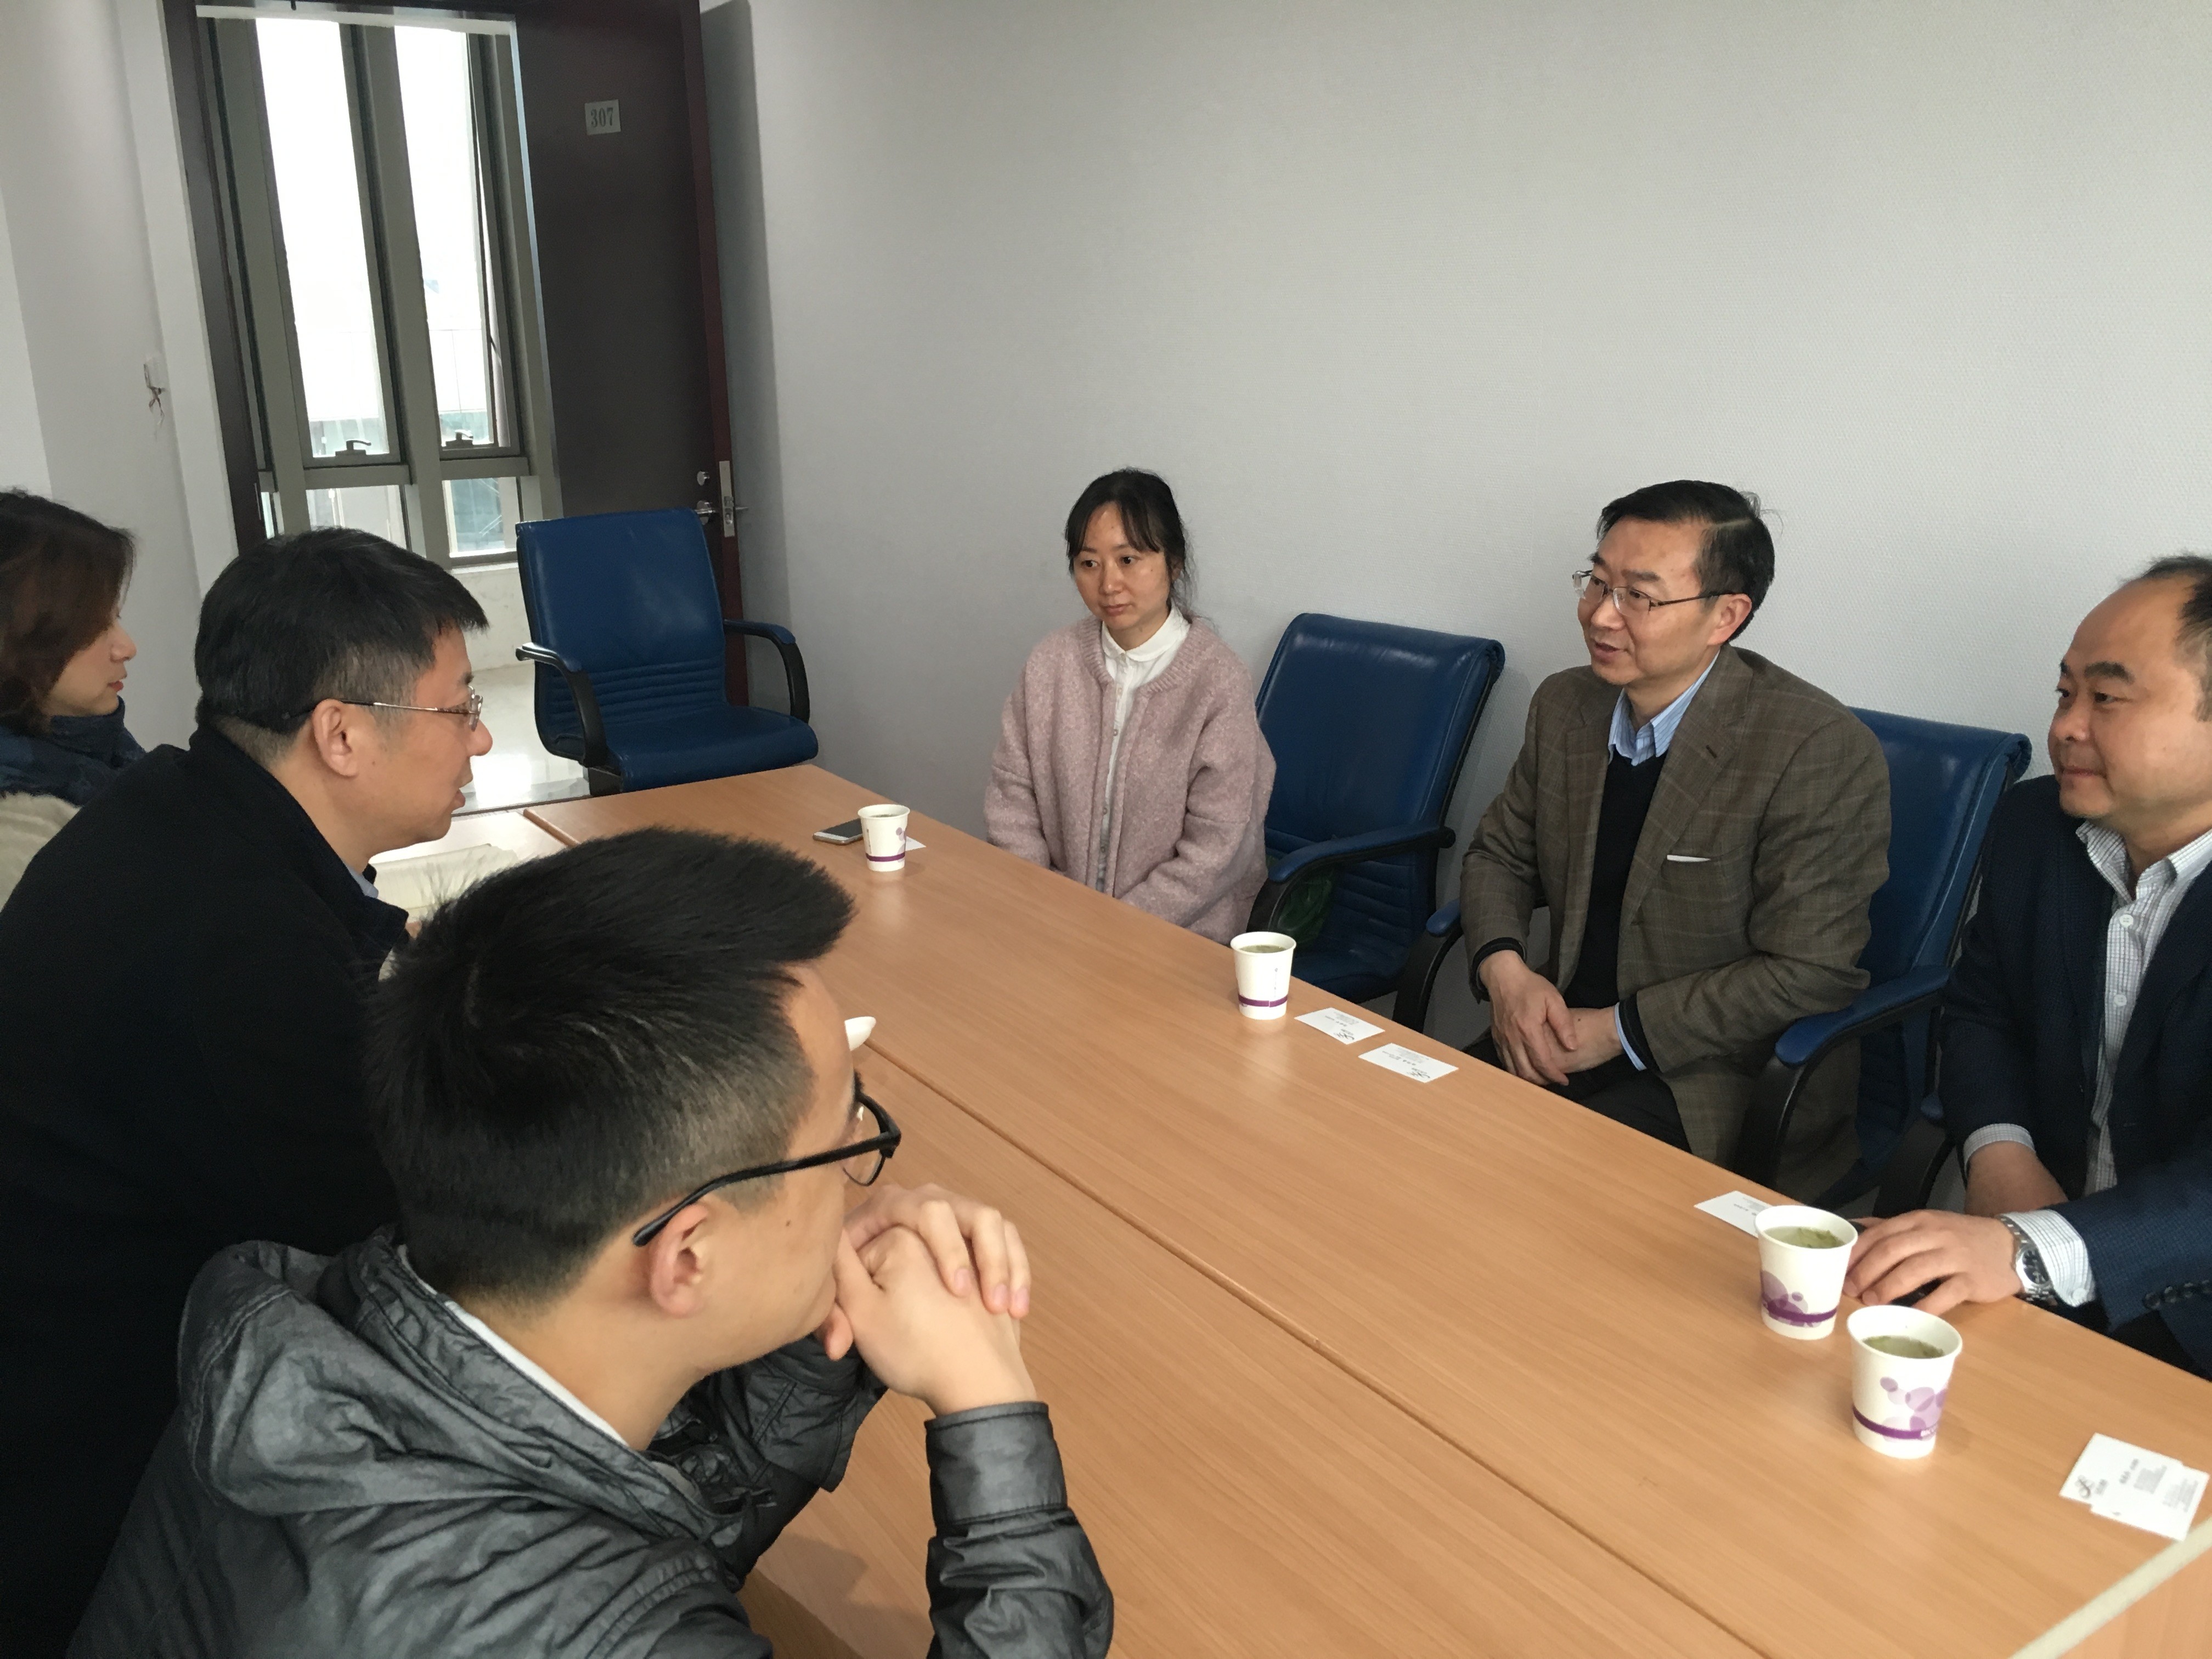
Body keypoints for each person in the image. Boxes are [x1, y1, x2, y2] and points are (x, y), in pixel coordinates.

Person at [72, 828, 1114, 1657]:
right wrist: (989, 1410)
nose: (857, 1174)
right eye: (848, 1139)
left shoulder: (296, 1331)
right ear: (687, 1254)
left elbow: (594, 1538)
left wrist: (814, 1330)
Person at [0, 528, 493, 1654]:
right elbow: (404, 1254)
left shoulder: (175, 806)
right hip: (106, 1488)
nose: (480, 734)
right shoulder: (234, 944)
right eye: (459, 706)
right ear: (341, 733)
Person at [1459, 481, 1888, 1193]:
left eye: (1639, 596)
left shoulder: (1814, 748)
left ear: (1726, 615)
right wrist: (1506, 974)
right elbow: (1499, 855)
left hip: (1712, 1078)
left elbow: (1808, 971)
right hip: (1559, 1033)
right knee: (1404, 1131)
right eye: (1598, 582)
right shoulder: (1566, 705)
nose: (1601, 614)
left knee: (1530, 1189)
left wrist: (1615, 1031)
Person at [1847, 558, 2212, 1377]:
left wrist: (2030, 1247)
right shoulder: (2035, 827)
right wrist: (2000, 1154)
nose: (2067, 727)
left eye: (2106, 697)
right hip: (2036, 1274)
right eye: (2064, 693)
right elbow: (1982, 1011)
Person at [986, 468, 1274, 943]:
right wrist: (1047, 904)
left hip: (1179, 936)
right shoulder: (1050, 663)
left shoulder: (1218, 681)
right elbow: (1012, 798)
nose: (1109, 584)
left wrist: (1111, 929)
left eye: (1128, 559)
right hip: (1054, 922)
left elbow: (1217, 847)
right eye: (1089, 563)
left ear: (1174, 562)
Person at [0, 490, 144, 902]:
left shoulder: (102, 753)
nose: (127, 647)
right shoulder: (18, 842)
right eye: (95, 627)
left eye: (116, 617)